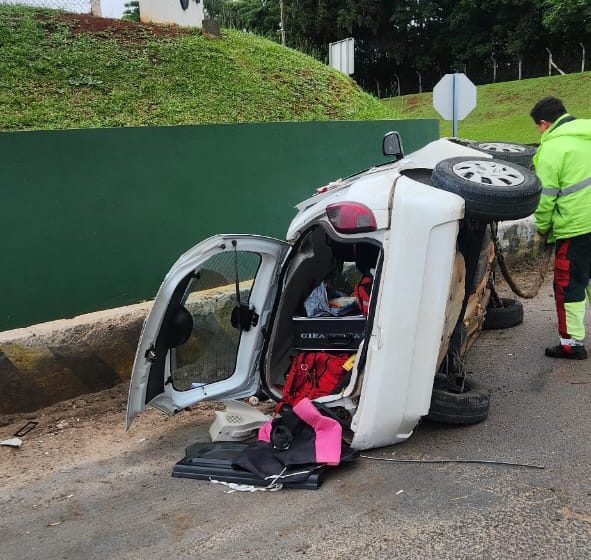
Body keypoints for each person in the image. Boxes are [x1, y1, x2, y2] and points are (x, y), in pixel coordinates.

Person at [530, 96, 591, 359]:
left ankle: (572, 344)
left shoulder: (553, 149)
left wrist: (542, 229)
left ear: (544, 124)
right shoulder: (586, 133)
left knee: (569, 286)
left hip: (576, 227)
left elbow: (545, 198)